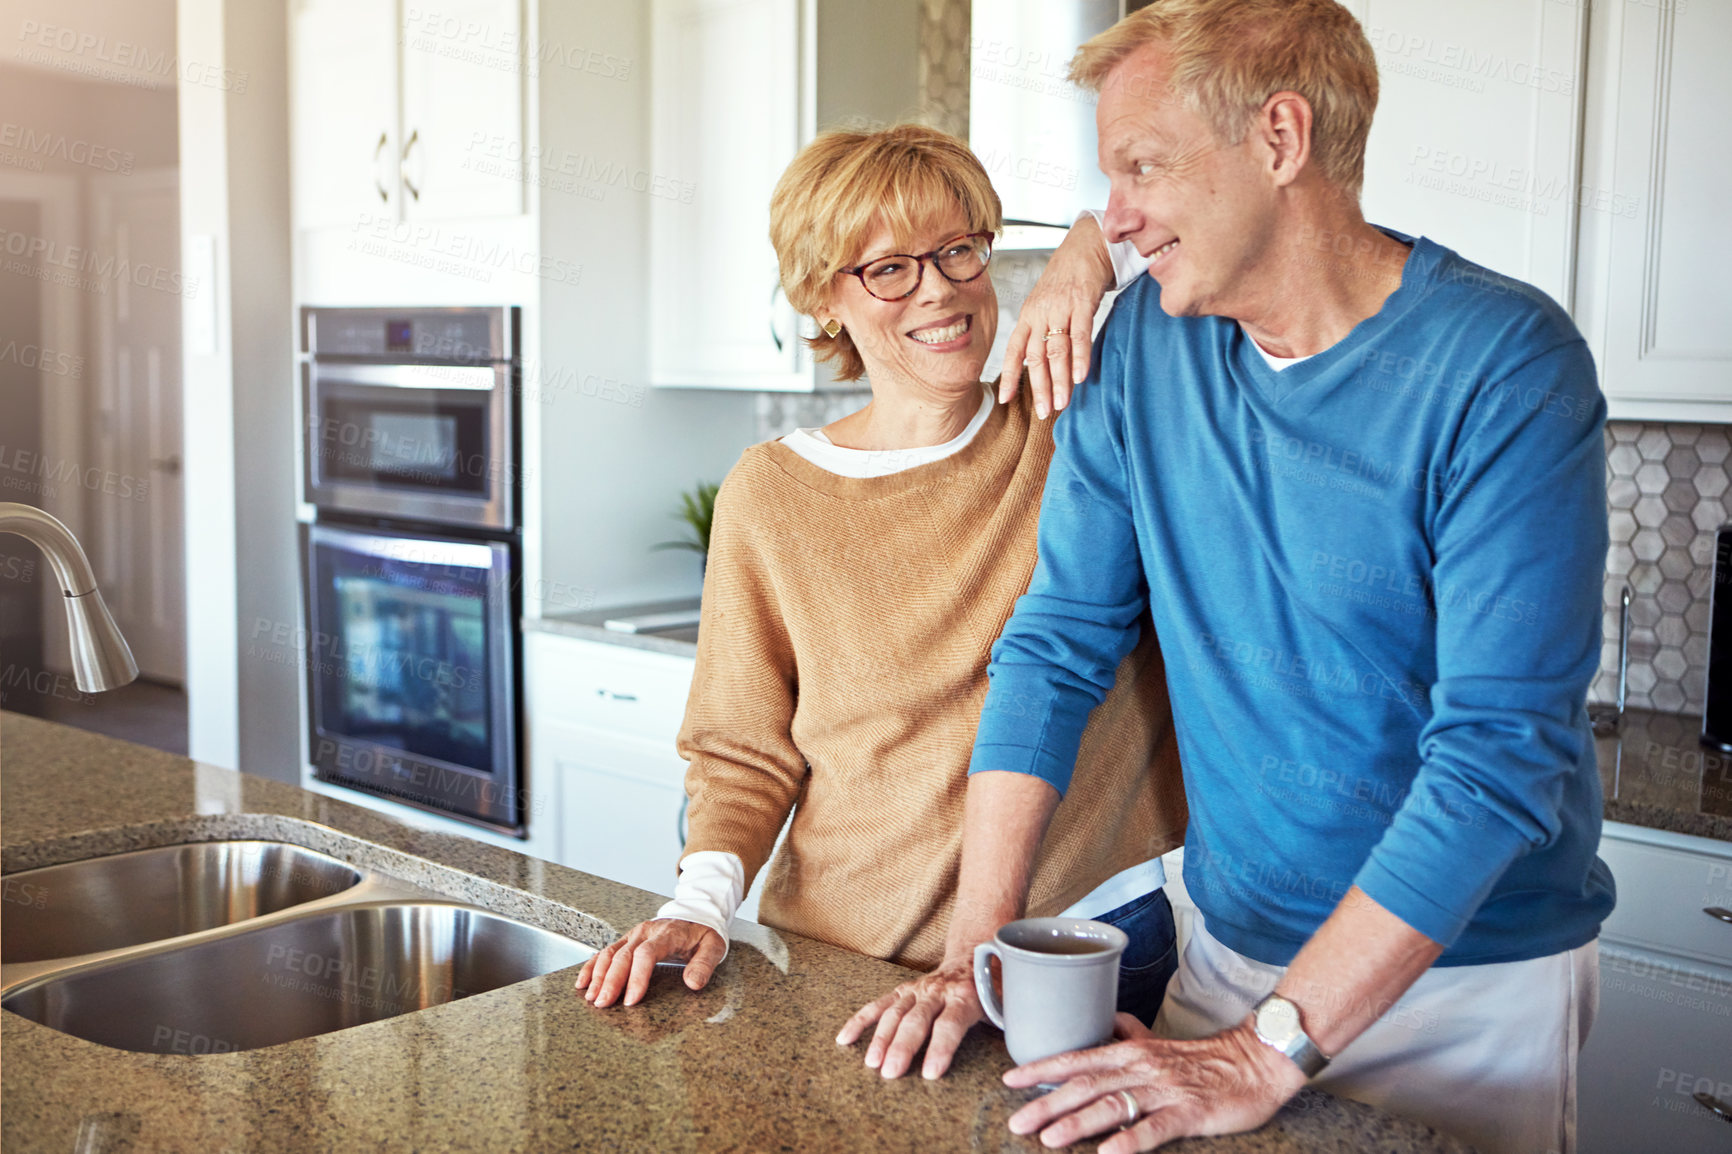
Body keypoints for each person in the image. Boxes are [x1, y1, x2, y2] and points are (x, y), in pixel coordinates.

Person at [925, 3, 1610, 1153]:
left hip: (1464, 982)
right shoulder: (1142, 348)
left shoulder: (1505, 367)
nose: (1118, 216)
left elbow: (1497, 755)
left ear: (1280, 140)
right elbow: (1054, 643)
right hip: (1227, 949)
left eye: (1142, 167)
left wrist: (1263, 1051)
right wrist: (969, 951)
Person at [573, 125, 1188, 1083]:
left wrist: (1086, 251)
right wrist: (698, 905)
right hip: (836, 955)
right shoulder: (771, 494)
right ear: (825, 298)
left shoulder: (1070, 411)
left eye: (958, 251)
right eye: (888, 270)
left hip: (1073, 948)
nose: (938, 289)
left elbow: (1204, 220)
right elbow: (741, 746)